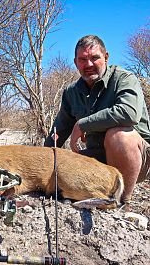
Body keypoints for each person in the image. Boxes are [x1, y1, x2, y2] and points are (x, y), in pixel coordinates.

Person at [45, 35, 150, 210]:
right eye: (82, 59)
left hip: (138, 159)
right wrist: (41, 157)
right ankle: (95, 196)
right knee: (61, 165)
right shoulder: (71, 92)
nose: (88, 65)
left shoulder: (124, 78)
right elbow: (59, 130)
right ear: (75, 62)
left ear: (106, 57)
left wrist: (82, 124)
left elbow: (129, 113)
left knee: (119, 136)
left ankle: (122, 203)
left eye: (94, 58)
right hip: (98, 159)